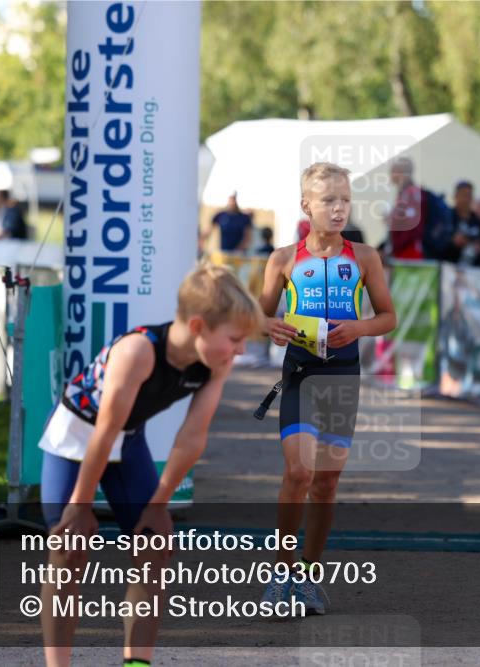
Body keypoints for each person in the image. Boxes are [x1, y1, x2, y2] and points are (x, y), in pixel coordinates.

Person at [38, 263, 262, 667]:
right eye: (235, 339)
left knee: (154, 547)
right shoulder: (138, 351)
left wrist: (159, 506)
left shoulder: (215, 363)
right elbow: (102, 432)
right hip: (76, 435)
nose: (241, 350)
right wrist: (80, 504)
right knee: (68, 548)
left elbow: (192, 437)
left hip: (127, 438)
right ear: (198, 326)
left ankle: (137, 664)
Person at [258, 162, 396, 614]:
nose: (339, 209)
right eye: (328, 201)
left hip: (342, 378)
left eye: (344, 200)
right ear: (306, 206)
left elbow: (387, 317)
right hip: (300, 376)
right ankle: (280, 575)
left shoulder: (365, 258)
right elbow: (258, 319)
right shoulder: (282, 260)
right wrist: (271, 328)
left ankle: (308, 578)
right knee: (299, 473)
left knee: (326, 483)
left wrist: (356, 328)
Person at [444, 180, 480, 267]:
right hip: (449, 270)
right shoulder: (445, 219)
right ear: (455, 196)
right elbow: (435, 246)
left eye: (468, 196)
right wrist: (452, 242)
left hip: (474, 273)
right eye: (463, 195)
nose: (465, 199)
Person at [387, 157, 425, 260]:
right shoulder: (403, 194)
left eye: (394, 170)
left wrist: (396, 246)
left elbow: (413, 227)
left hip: (409, 254)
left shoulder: (411, 194)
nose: (391, 175)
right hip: (402, 253)